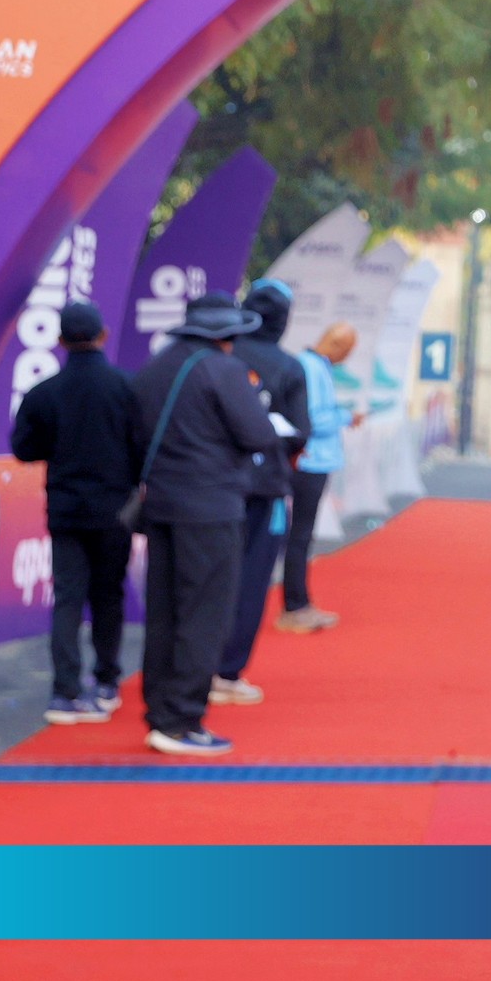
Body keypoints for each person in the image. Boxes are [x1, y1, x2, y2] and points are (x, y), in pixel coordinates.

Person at [131, 291, 281, 756]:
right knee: (204, 613)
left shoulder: (156, 366)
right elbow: (259, 433)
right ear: (228, 333)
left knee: (164, 611)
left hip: (161, 503)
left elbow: (133, 431)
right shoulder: (223, 370)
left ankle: (161, 711)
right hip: (212, 507)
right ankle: (181, 719)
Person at [8, 300, 146, 723]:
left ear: (61, 341)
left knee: (68, 597)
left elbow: (23, 448)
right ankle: (106, 682)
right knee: (108, 594)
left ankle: (64, 692)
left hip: (66, 509)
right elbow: (143, 447)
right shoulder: (126, 388)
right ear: (103, 335)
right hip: (114, 510)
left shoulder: (44, 392)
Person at [214, 276, 311, 705]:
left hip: (219, 485)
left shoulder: (223, 357)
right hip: (266, 488)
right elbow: (301, 432)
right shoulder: (289, 367)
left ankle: (197, 666)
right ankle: (227, 671)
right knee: (252, 580)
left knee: (210, 576)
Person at [277, 322, 359, 635]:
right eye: (347, 351)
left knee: (301, 534)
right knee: (300, 534)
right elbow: (313, 419)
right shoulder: (310, 368)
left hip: (313, 460)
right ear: (336, 345)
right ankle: (294, 605)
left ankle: (299, 602)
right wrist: (345, 417)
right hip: (310, 460)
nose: (346, 358)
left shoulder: (314, 366)